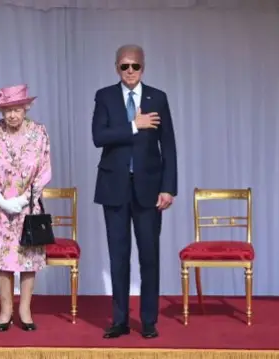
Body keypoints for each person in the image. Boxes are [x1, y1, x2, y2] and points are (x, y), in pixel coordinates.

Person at [91, 45, 177, 339]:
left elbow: (169, 147)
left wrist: (168, 187)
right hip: (113, 187)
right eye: (124, 66)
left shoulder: (158, 98)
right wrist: (133, 125)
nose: (130, 71)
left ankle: (149, 320)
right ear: (116, 67)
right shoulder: (104, 96)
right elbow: (98, 137)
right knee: (119, 256)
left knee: (149, 255)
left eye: (135, 66)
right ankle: (119, 320)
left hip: (149, 190)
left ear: (144, 67)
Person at [0, 84, 52, 332]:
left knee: (28, 260)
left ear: (26, 107)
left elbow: (45, 170)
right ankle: (5, 310)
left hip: (28, 207)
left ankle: (25, 310)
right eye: (7, 110)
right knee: (4, 260)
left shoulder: (39, 132)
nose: (12, 115)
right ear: (1, 110)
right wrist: (0, 199)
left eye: (17, 109)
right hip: (0, 208)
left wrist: (23, 200)